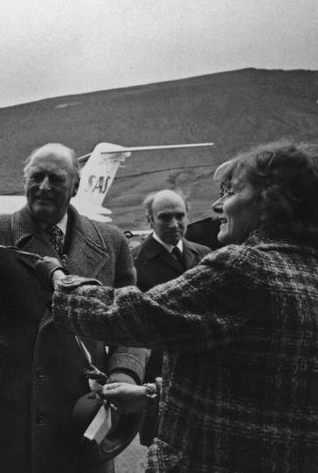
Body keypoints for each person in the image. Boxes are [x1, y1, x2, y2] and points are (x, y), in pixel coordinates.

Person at [47, 141, 318, 472]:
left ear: (269, 201)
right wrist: (149, 394)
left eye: (232, 191)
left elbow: (129, 315)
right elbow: (258, 397)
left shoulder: (246, 268)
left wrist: (59, 279)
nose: (218, 204)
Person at [0, 143, 146, 472]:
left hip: (83, 407)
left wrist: (122, 373)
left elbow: (131, 322)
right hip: (10, 408)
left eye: (55, 179)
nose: (43, 186)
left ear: (75, 186)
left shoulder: (110, 241)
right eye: (35, 177)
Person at [131, 189, 211, 445]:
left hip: (201, 367)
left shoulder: (205, 256)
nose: (174, 224)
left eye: (180, 216)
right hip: (157, 369)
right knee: (160, 445)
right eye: (165, 217)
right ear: (149, 220)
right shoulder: (134, 261)